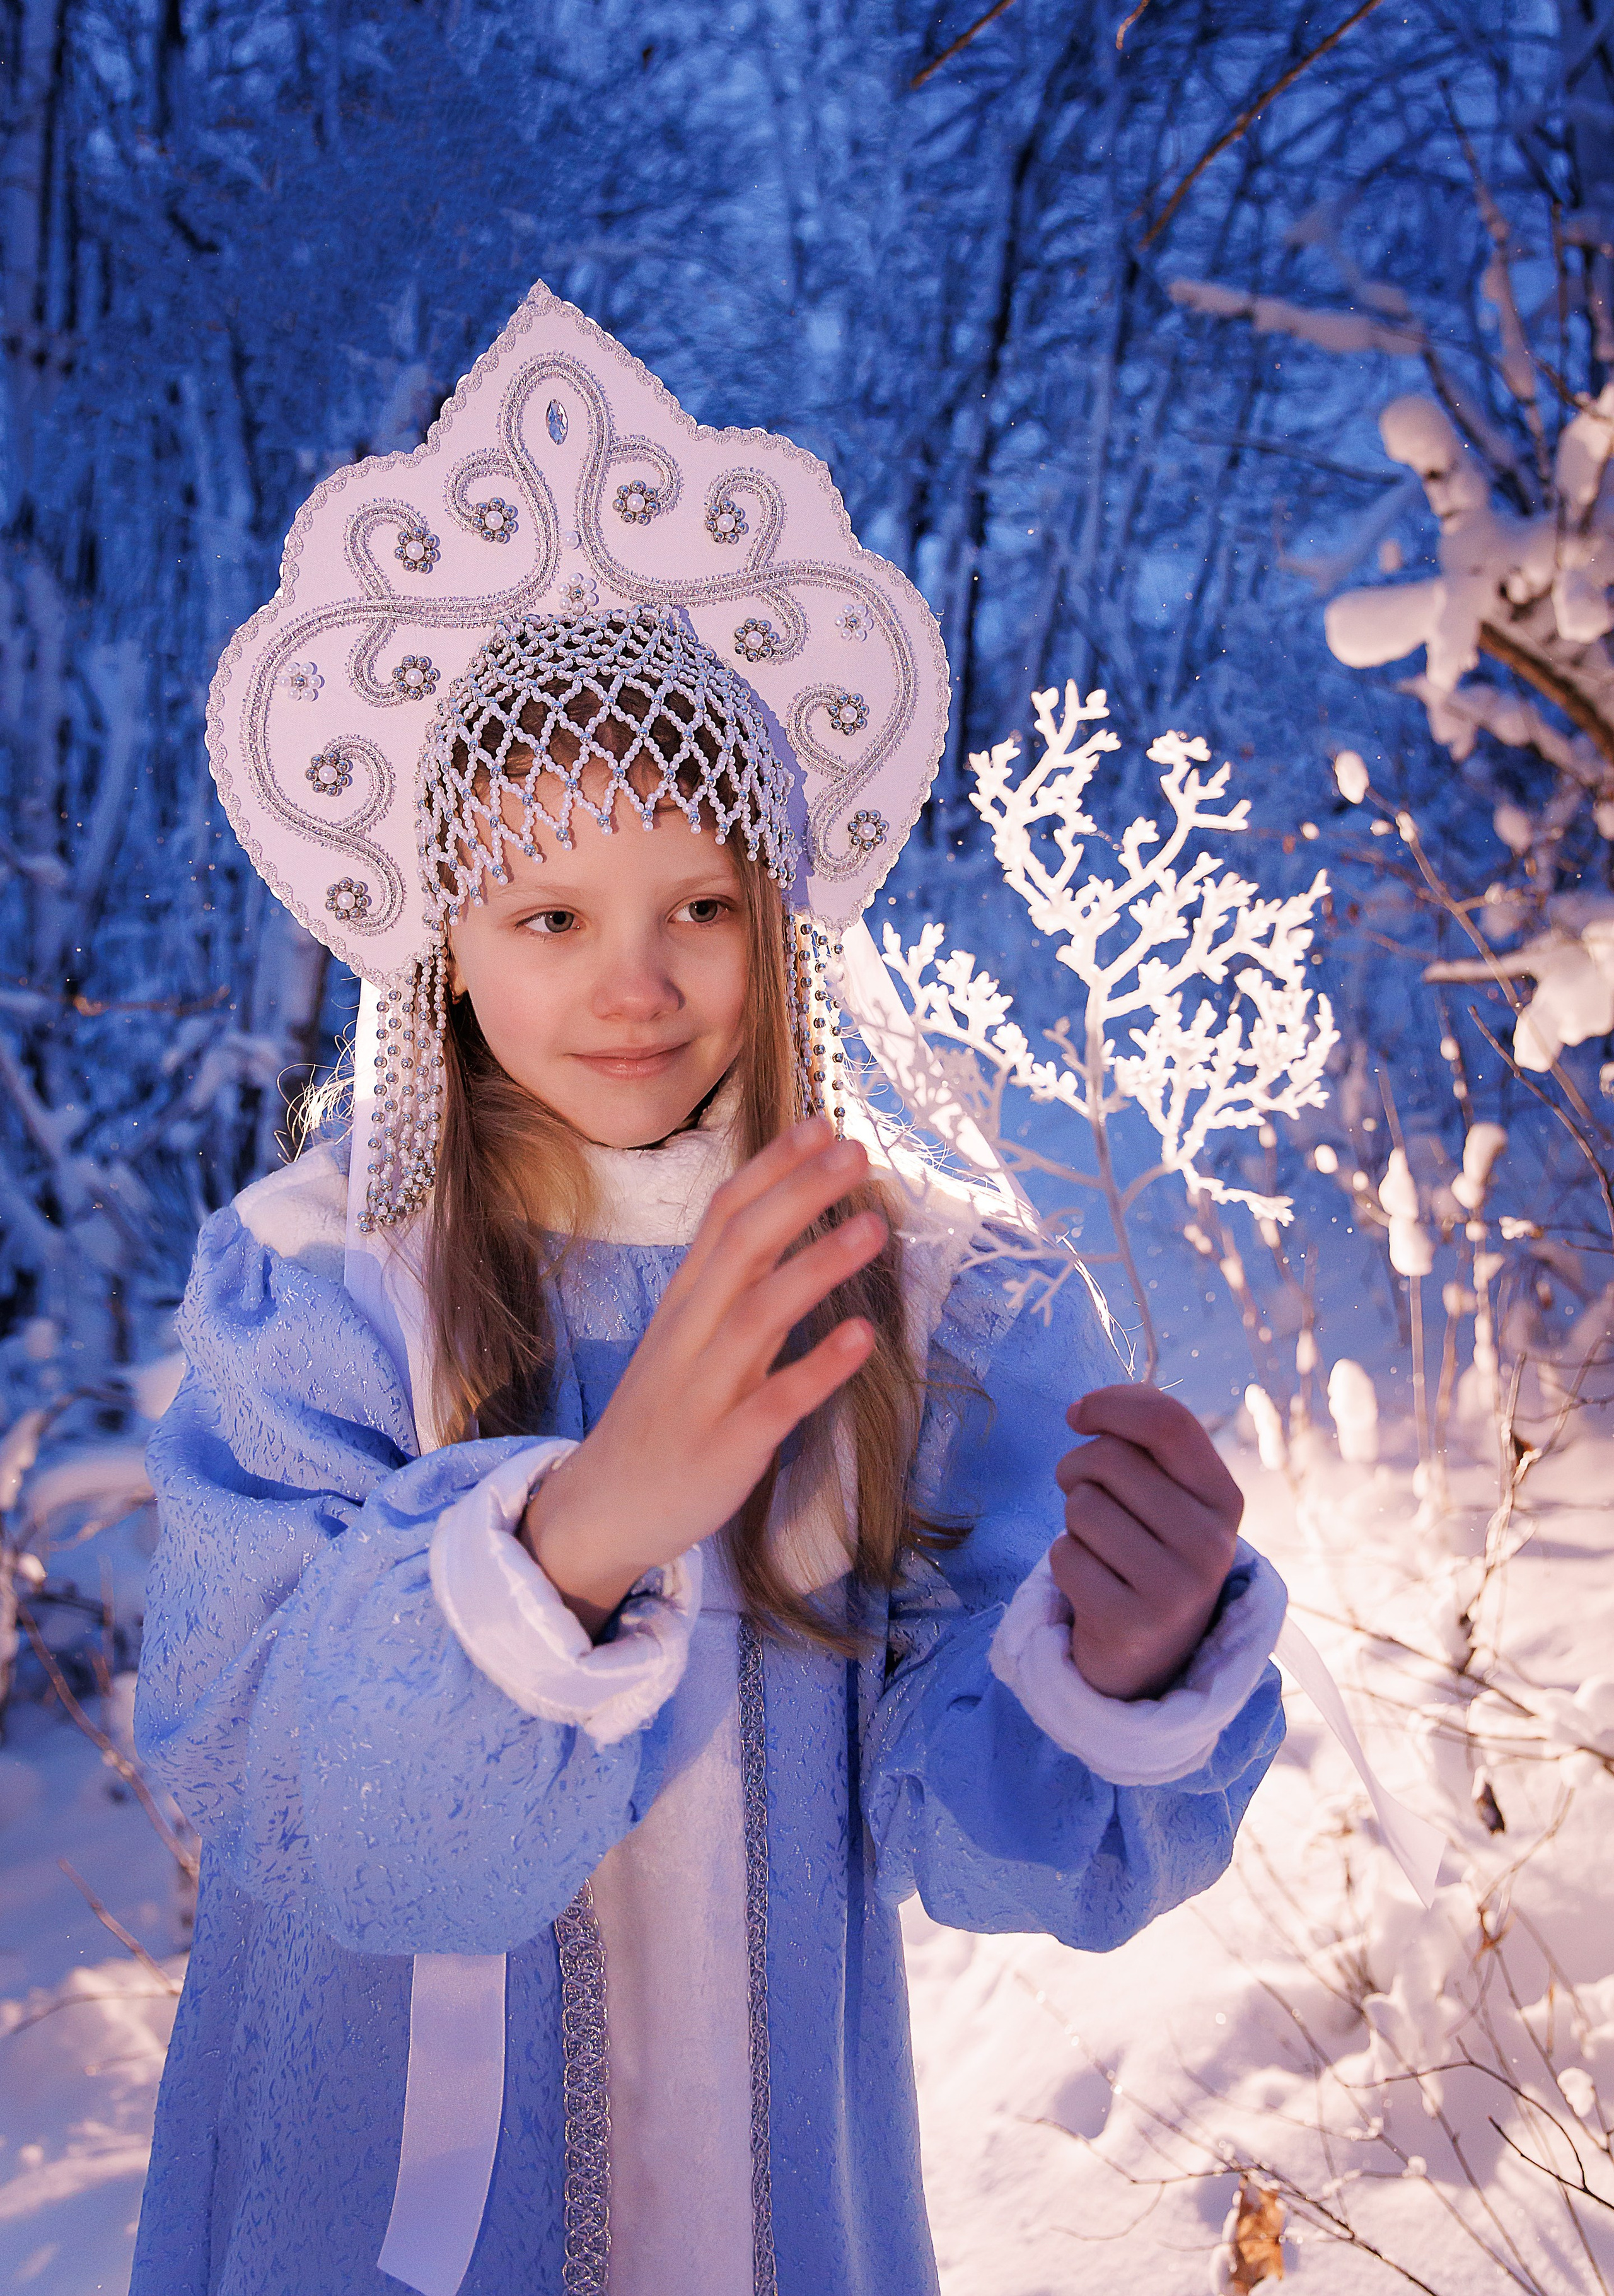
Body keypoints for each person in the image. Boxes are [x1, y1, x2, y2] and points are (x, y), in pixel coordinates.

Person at [130, 284, 1287, 2296]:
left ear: (783, 921)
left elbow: (978, 1833)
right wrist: (577, 1531)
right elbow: (290, 1787)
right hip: (374, 2222)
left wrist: (1115, 1662)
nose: (637, 983)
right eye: (550, 914)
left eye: (699, 906)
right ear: (446, 942)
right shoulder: (325, 1288)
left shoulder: (919, 1297)